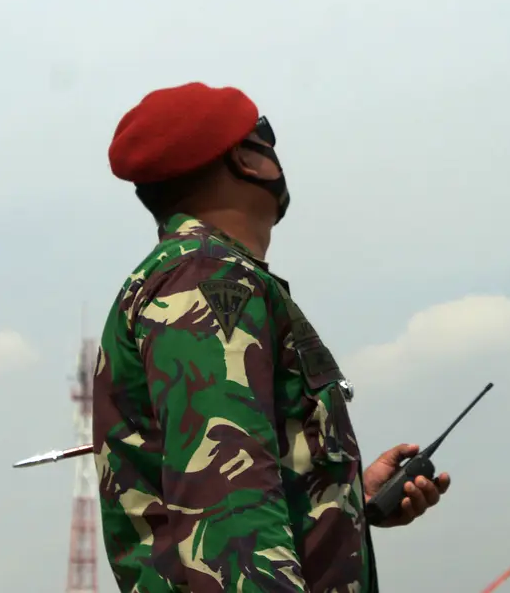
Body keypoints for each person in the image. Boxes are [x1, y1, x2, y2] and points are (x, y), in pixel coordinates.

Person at [92, 82, 448, 592]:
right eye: (266, 137)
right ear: (244, 159)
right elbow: (227, 507)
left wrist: (342, 500)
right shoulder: (207, 279)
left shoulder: (206, 275)